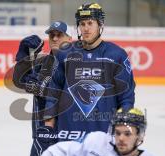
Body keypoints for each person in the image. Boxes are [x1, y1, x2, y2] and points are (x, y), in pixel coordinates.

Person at [44, 2, 135, 142]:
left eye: (90, 23)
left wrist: (122, 127)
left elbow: (126, 97)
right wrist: (48, 126)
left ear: (100, 25)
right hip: (67, 134)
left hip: (103, 136)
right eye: (82, 24)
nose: (86, 28)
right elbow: (53, 90)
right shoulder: (65, 53)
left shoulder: (117, 55)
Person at [12, 21, 72, 156]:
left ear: (69, 39)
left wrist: (42, 88)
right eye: (52, 35)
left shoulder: (76, 63)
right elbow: (19, 81)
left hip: (67, 135)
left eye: (59, 35)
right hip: (41, 133)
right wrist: (24, 56)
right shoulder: (42, 62)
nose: (55, 38)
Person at [40, 108, 156, 156]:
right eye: (117, 133)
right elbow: (55, 153)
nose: (120, 138)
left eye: (127, 134)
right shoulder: (97, 142)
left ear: (139, 136)